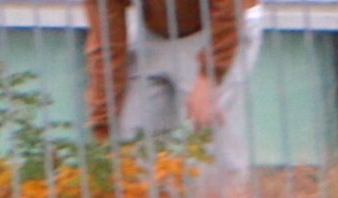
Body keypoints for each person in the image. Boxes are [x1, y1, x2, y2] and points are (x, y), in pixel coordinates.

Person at [86, 0, 265, 175]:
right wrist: (103, 122)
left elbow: (229, 10)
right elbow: (107, 43)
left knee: (214, 149)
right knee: (132, 148)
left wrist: (209, 77)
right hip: (153, 29)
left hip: (223, 26)